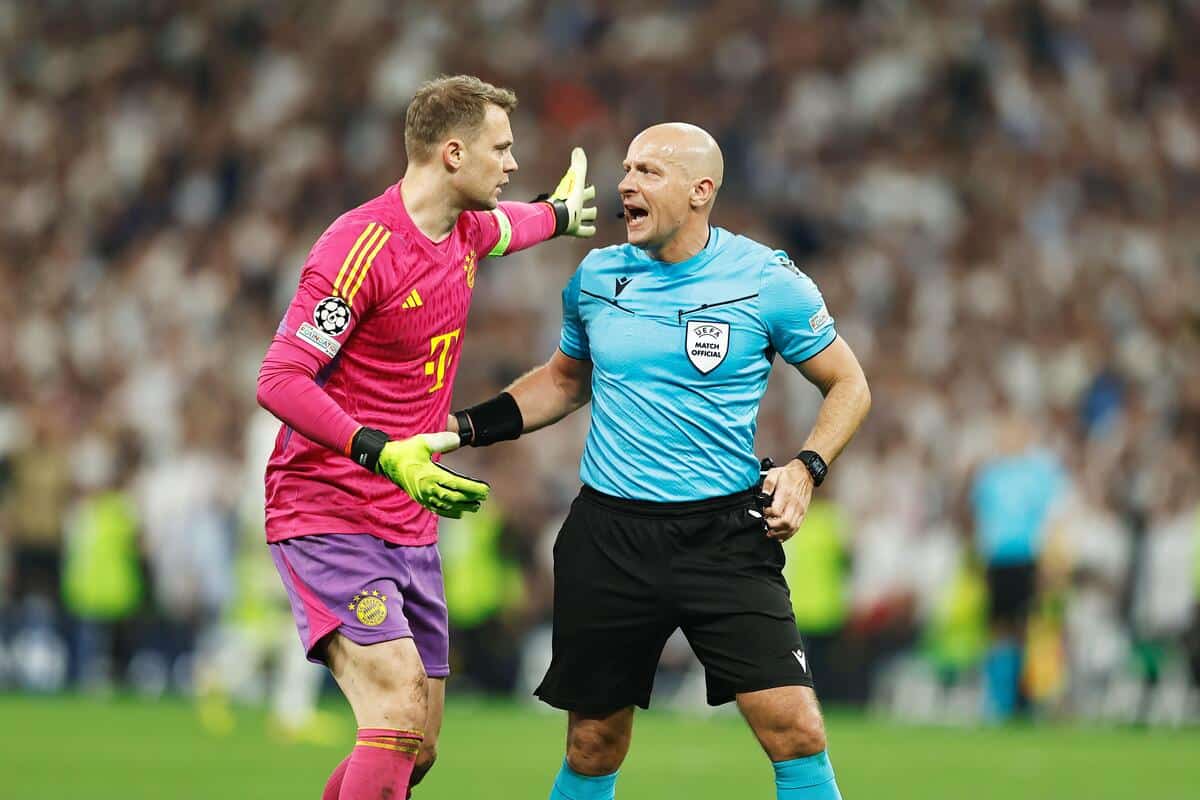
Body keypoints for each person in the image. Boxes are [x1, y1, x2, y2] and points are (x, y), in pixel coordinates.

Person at [451, 123, 871, 800]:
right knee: (593, 742)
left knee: (795, 727)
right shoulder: (598, 275)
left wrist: (805, 469)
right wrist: (467, 426)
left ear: (701, 190)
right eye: (627, 169)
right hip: (610, 536)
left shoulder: (768, 280)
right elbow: (564, 380)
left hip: (725, 535)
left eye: (648, 171)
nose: (625, 185)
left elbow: (849, 384)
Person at [255, 74, 596, 800]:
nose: (510, 164)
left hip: (407, 521)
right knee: (397, 713)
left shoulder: (467, 229)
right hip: (328, 509)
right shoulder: (361, 247)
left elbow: (515, 226)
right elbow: (280, 379)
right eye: (500, 149)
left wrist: (561, 214)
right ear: (451, 153)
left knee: (418, 745)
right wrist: (379, 449)